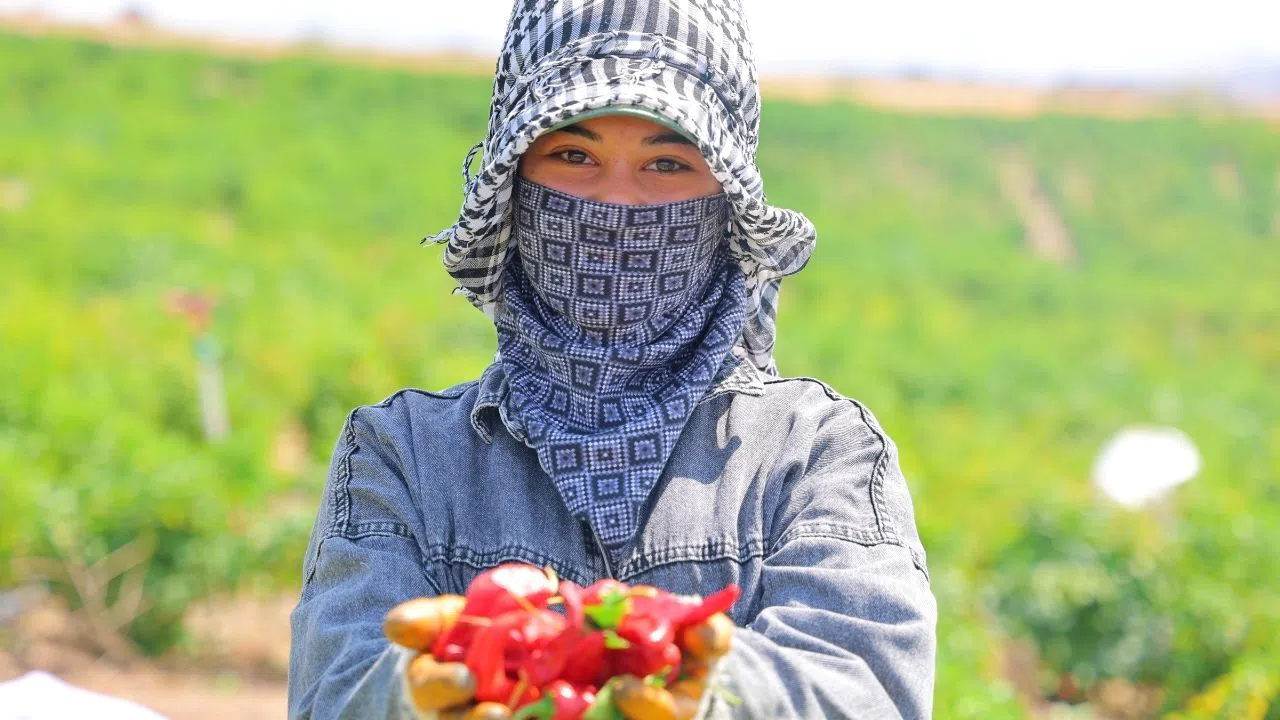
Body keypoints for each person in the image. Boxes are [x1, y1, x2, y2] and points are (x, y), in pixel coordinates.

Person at [287, 1, 936, 718]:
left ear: (726, 201)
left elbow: (865, 689)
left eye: (668, 163)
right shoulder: (404, 454)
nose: (617, 204)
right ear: (513, 187)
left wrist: (707, 692)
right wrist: (410, 698)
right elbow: (335, 689)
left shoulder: (816, 454)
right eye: (574, 156)